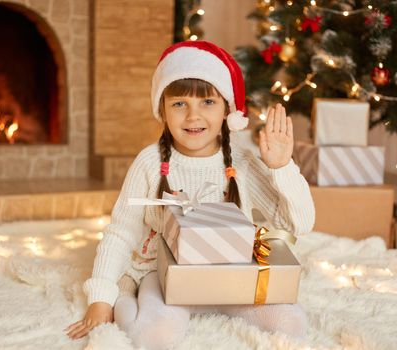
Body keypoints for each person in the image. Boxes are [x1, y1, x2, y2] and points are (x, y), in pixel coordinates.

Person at [65, 41, 315, 349]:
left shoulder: (243, 162)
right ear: (163, 110)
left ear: (228, 110)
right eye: (179, 103)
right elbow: (121, 231)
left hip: (231, 275)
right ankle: (126, 303)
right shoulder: (149, 162)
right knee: (154, 337)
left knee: (291, 324)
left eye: (208, 102)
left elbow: (299, 224)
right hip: (166, 277)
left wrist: (282, 167)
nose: (193, 116)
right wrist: (102, 297)